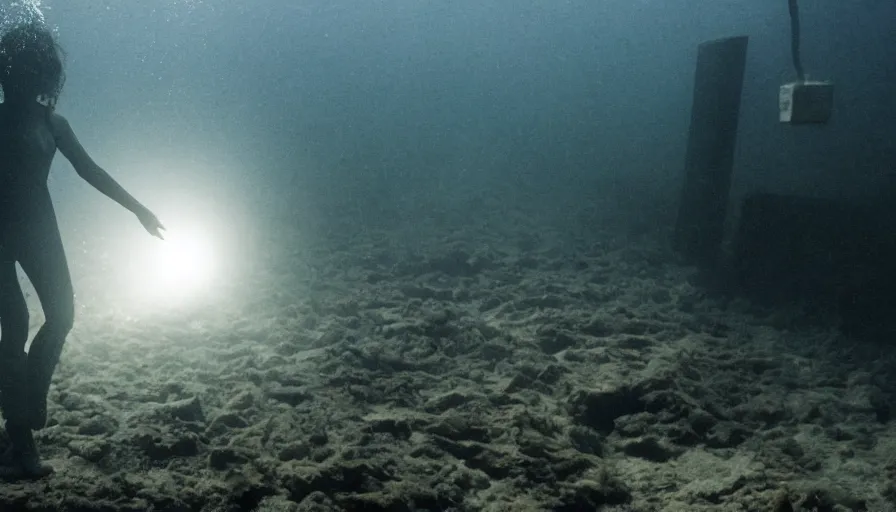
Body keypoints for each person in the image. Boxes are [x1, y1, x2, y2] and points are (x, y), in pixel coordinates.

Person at [0, 21, 164, 479]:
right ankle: (21, 443)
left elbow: (89, 170)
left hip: (38, 228)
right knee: (14, 323)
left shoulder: (53, 124)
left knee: (62, 315)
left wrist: (138, 209)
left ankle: (22, 418)